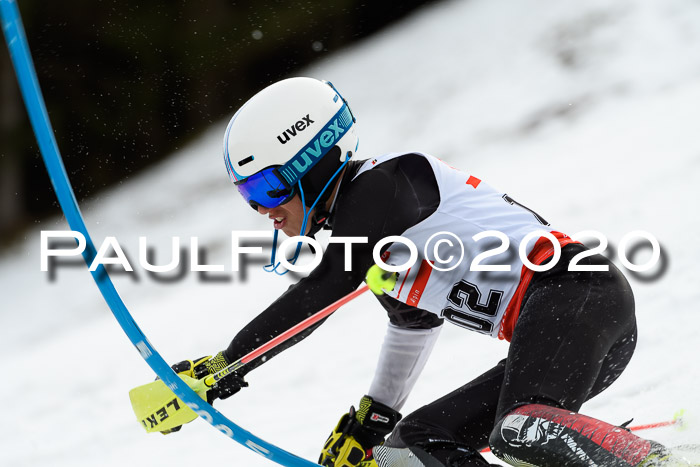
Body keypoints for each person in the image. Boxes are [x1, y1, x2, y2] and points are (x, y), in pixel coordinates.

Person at [171, 77, 685, 467]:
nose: (263, 210)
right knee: (414, 447)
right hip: (561, 330)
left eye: (266, 189)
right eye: (248, 198)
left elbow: (326, 288)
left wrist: (225, 367)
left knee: (519, 428)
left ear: (312, 160)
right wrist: (372, 424)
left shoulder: (383, 185)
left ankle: (660, 462)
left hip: (578, 295)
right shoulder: (375, 240)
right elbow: (411, 325)